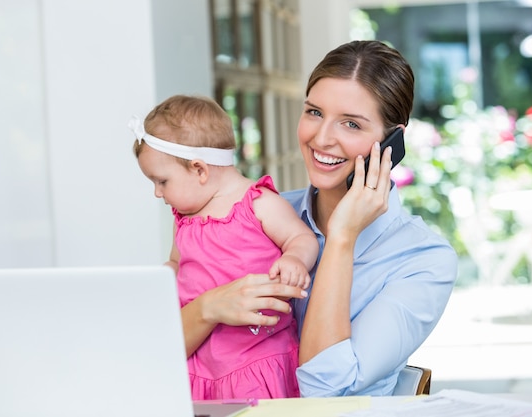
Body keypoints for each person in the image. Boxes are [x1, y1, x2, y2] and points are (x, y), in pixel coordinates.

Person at [176, 40, 458, 397]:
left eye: (351, 124)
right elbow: (154, 353)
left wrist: (342, 236)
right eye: (314, 112)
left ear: (392, 143)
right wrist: (209, 308)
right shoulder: (263, 213)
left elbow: (325, 390)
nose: (322, 138)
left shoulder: (424, 260)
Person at [130, 95, 319, 400]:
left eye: (161, 181)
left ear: (200, 169)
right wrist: (165, 274)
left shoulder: (258, 203)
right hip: (200, 362)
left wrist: (295, 258)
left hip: (255, 358)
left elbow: (302, 238)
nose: (157, 192)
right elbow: (177, 263)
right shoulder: (185, 217)